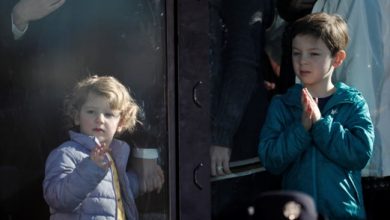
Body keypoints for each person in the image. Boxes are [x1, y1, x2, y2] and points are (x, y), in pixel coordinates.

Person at [258, 12, 375, 219]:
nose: (302, 61)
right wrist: (301, 129)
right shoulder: (283, 104)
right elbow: (270, 159)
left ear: (337, 58)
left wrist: (320, 124)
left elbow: (360, 154)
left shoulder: (352, 103)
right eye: (296, 53)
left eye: (313, 53)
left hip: (343, 214)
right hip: (297, 214)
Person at [43, 75, 148, 219]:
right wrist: (91, 167)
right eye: (91, 111)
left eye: (109, 114)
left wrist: (143, 180)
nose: (99, 119)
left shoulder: (115, 155)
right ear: (76, 117)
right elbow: (57, 198)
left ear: (121, 122)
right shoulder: (66, 153)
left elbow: (114, 191)